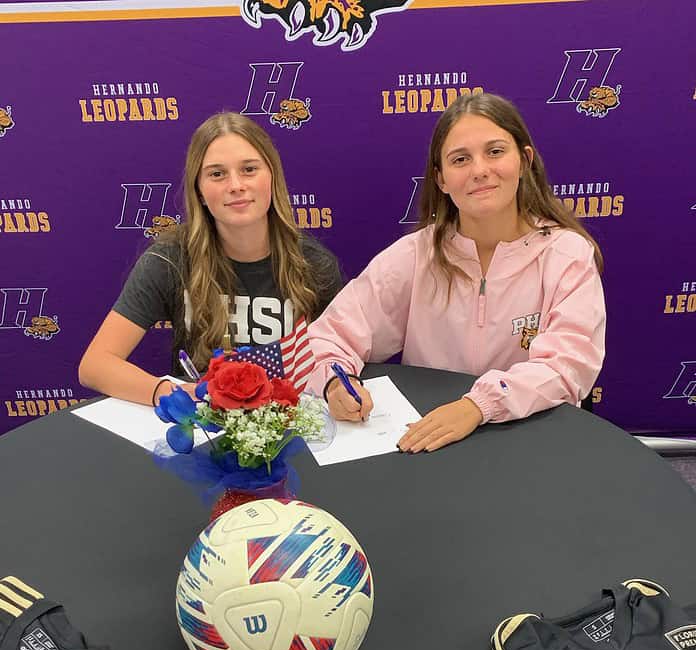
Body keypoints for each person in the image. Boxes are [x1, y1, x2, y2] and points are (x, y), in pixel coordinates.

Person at [306, 92, 606, 453]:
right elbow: (329, 337)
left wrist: (478, 406)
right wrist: (336, 384)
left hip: (534, 442)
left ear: (524, 160)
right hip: (435, 443)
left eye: (495, 151)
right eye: (460, 159)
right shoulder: (414, 255)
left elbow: (568, 364)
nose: (480, 170)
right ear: (442, 179)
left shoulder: (566, 254)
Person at [79, 112, 343, 406]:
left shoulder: (314, 264)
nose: (235, 185)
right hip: (204, 426)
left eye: (249, 169)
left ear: (272, 177)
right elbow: (94, 365)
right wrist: (174, 395)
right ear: (200, 191)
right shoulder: (169, 260)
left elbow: (339, 357)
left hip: (289, 423)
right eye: (217, 174)